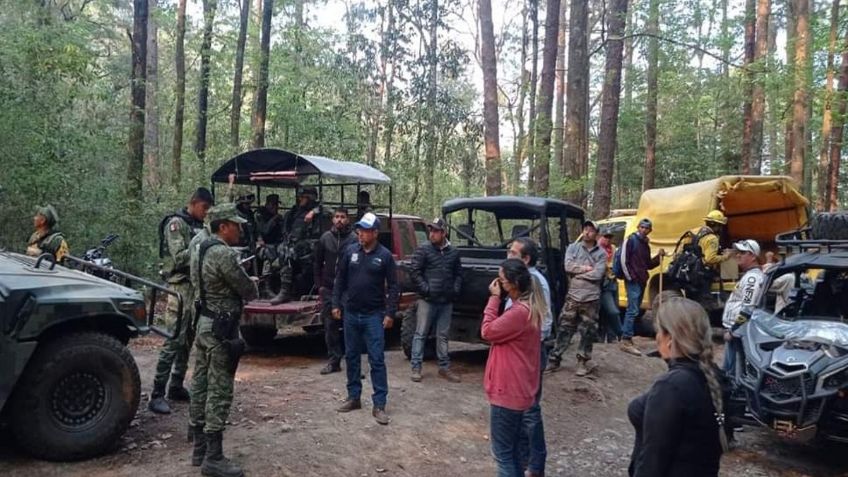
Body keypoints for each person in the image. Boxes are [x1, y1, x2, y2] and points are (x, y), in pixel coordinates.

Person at [188, 203, 258, 477]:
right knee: (219, 389)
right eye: (236, 225)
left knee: (201, 382)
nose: (239, 229)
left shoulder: (199, 247)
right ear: (222, 227)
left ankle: (198, 447)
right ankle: (213, 458)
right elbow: (246, 289)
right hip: (222, 328)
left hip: (205, 322)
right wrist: (251, 283)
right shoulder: (223, 254)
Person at [627, 296, 728, 477]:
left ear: (670, 338)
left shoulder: (672, 387)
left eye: (658, 332)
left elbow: (654, 460)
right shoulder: (714, 375)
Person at [149, 187, 213, 415]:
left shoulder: (197, 225)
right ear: (194, 203)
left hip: (195, 289)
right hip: (179, 288)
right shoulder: (176, 224)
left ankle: (176, 385)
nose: (205, 213)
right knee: (174, 339)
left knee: (188, 339)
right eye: (204, 208)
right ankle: (157, 393)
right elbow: (179, 257)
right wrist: (202, 243)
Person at [333, 212, 399, 425]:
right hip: (351, 314)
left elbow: (394, 287)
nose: (360, 234)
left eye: (365, 230)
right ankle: (354, 397)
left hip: (374, 316)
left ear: (375, 233)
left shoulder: (385, 256)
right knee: (351, 356)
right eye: (359, 230)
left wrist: (390, 313)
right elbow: (340, 279)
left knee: (377, 359)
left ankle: (379, 404)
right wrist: (336, 304)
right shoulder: (351, 252)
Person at [482, 258, 545, 477]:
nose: (497, 285)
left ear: (513, 284)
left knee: (504, 455)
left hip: (507, 392)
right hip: (519, 391)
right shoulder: (530, 309)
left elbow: (488, 331)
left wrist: (493, 299)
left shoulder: (519, 313)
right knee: (515, 453)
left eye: (501, 281)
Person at [506, 238, 552, 477]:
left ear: (526, 259)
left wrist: (519, 337)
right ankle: (523, 462)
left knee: (530, 411)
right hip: (518, 354)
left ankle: (535, 466)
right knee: (520, 412)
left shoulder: (535, 282)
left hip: (529, 355)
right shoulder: (518, 281)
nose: (508, 255)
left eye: (513, 253)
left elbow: (544, 323)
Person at [548, 220, 607, 376]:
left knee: (588, 332)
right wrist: (586, 269)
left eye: (591, 230)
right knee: (564, 328)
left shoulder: (601, 253)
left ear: (596, 234)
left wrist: (578, 275)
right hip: (573, 297)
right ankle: (554, 359)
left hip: (591, 298)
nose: (587, 232)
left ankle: (583, 361)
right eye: (585, 229)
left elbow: (598, 274)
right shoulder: (573, 248)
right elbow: (568, 267)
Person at [409, 217, 463, 383]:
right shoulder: (424, 250)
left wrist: (455, 290)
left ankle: (444, 367)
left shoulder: (453, 252)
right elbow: (414, 271)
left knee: (443, 335)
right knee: (420, 333)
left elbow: (458, 274)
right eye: (430, 230)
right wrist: (426, 289)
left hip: (446, 300)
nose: (432, 234)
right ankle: (416, 366)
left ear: (443, 233)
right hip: (428, 299)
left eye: (435, 231)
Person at [313, 207, 356, 375]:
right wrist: (320, 286)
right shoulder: (325, 238)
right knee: (330, 326)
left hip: (348, 289)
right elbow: (317, 262)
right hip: (329, 288)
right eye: (336, 217)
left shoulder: (354, 239)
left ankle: (353, 364)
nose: (339, 220)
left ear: (347, 219)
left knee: (350, 326)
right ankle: (334, 361)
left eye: (342, 217)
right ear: (332, 219)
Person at [620, 218, 665, 357]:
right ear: (638, 227)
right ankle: (626, 341)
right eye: (642, 227)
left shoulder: (645, 244)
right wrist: (629, 277)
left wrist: (658, 257)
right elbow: (623, 260)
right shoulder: (630, 240)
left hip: (641, 279)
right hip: (633, 280)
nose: (644, 230)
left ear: (650, 230)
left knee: (636, 309)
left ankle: (628, 338)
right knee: (632, 310)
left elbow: (648, 264)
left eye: (647, 228)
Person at [721, 239, 766, 374]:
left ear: (753, 256)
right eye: (737, 252)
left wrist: (733, 330)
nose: (738, 255)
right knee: (730, 370)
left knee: (733, 373)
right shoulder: (749, 276)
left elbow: (748, 309)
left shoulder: (752, 278)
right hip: (737, 331)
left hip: (739, 333)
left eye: (742, 252)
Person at [269, 187, 321, 304]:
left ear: (310, 198)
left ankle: (285, 291)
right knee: (277, 250)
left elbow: (329, 210)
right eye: (300, 197)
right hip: (294, 244)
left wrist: (313, 212)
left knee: (288, 252)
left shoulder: (318, 209)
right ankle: (270, 285)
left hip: (312, 244)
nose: (300, 199)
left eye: (303, 197)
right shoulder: (295, 211)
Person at [598, 228, 623, 342]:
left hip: (613, 281)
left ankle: (610, 336)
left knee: (610, 309)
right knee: (611, 310)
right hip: (602, 283)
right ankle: (621, 333)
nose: (607, 239)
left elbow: (616, 262)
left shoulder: (613, 248)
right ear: (600, 236)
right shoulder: (596, 249)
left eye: (609, 237)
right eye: (605, 236)